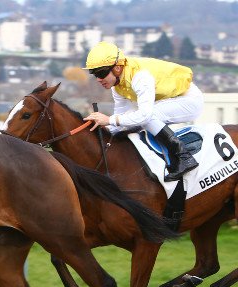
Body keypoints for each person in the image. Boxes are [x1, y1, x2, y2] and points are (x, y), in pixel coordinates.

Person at [82, 41, 203, 182]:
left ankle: (185, 157)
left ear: (117, 68)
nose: (98, 79)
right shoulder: (117, 87)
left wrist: (108, 120)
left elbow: (144, 116)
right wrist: (101, 129)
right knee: (133, 117)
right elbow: (120, 119)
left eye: (101, 73)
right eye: (94, 74)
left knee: (146, 116)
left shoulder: (140, 77)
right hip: (170, 100)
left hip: (189, 100)